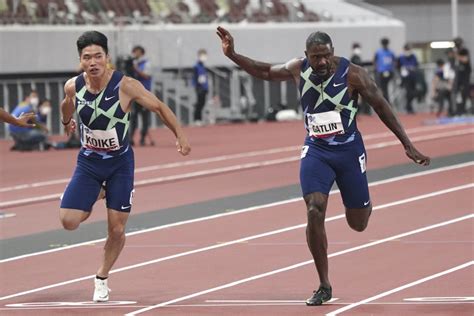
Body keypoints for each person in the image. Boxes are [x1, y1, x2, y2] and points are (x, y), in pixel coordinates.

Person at [216, 26, 430, 306]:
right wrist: (232, 54)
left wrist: (407, 143)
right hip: (316, 151)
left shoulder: (353, 74)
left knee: (358, 224)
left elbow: (381, 106)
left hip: (349, 152)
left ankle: (362, 203)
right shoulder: (298, 68)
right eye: (316, 57)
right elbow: (265, 71)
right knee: (314, 210)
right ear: (307, 55)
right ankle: (324, 284)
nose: (322, 62)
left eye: (326, 56)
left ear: (333, 52)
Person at [59, 31, 191, 302]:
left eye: (98, 56)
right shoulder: (73, 86)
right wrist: (66, 121)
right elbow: (67, 105)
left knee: (116, 229)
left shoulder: (125, 85)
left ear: (107, 58)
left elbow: (159, 107)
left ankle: (101, 277)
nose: (93, 62)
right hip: (89, 162)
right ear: (80, 61)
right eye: (87, 58)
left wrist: (180, 134)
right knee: (69, 221)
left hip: (120, 164)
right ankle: (101, 192)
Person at [129, 45, 155, 146]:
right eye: (134, 52)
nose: (135, 54)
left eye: (137, 52)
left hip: (145, 94)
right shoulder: (134, 63)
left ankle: (143, 137)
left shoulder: (147, 64)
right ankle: (130, 138)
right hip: (135, 94)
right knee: (133, 117)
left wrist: (136, 69)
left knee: (144, 117)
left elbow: (146, 75)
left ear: (141, 52)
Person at [397, 44, 419, 114]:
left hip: (413, 77)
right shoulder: (400, 57)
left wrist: (412, 69)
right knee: (408, 92)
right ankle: (409, 107)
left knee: (414, 92)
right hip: (405, 78)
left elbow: (417, 65)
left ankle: (408, 105)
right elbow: (397, 67)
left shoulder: (413, 57)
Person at [374, 37, 396, 103]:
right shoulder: (378, 52)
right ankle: (386, 101)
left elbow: (394, 61)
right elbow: (375, 61)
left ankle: (388, 101)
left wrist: (393, 68)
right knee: (383, 88)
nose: (385, 45)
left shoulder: (391, 52)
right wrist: (377, 69)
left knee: (389, 88)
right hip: (381, 72)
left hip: (389, 72)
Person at [192, 49, 209, 125]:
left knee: (202, 103)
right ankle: (197, 119)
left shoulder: (203, 66)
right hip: (199, 87)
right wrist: (197, 85)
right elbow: (197, 77)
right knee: (199, 103)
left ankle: (200, 118)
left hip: (204, 87)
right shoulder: (196, 66)